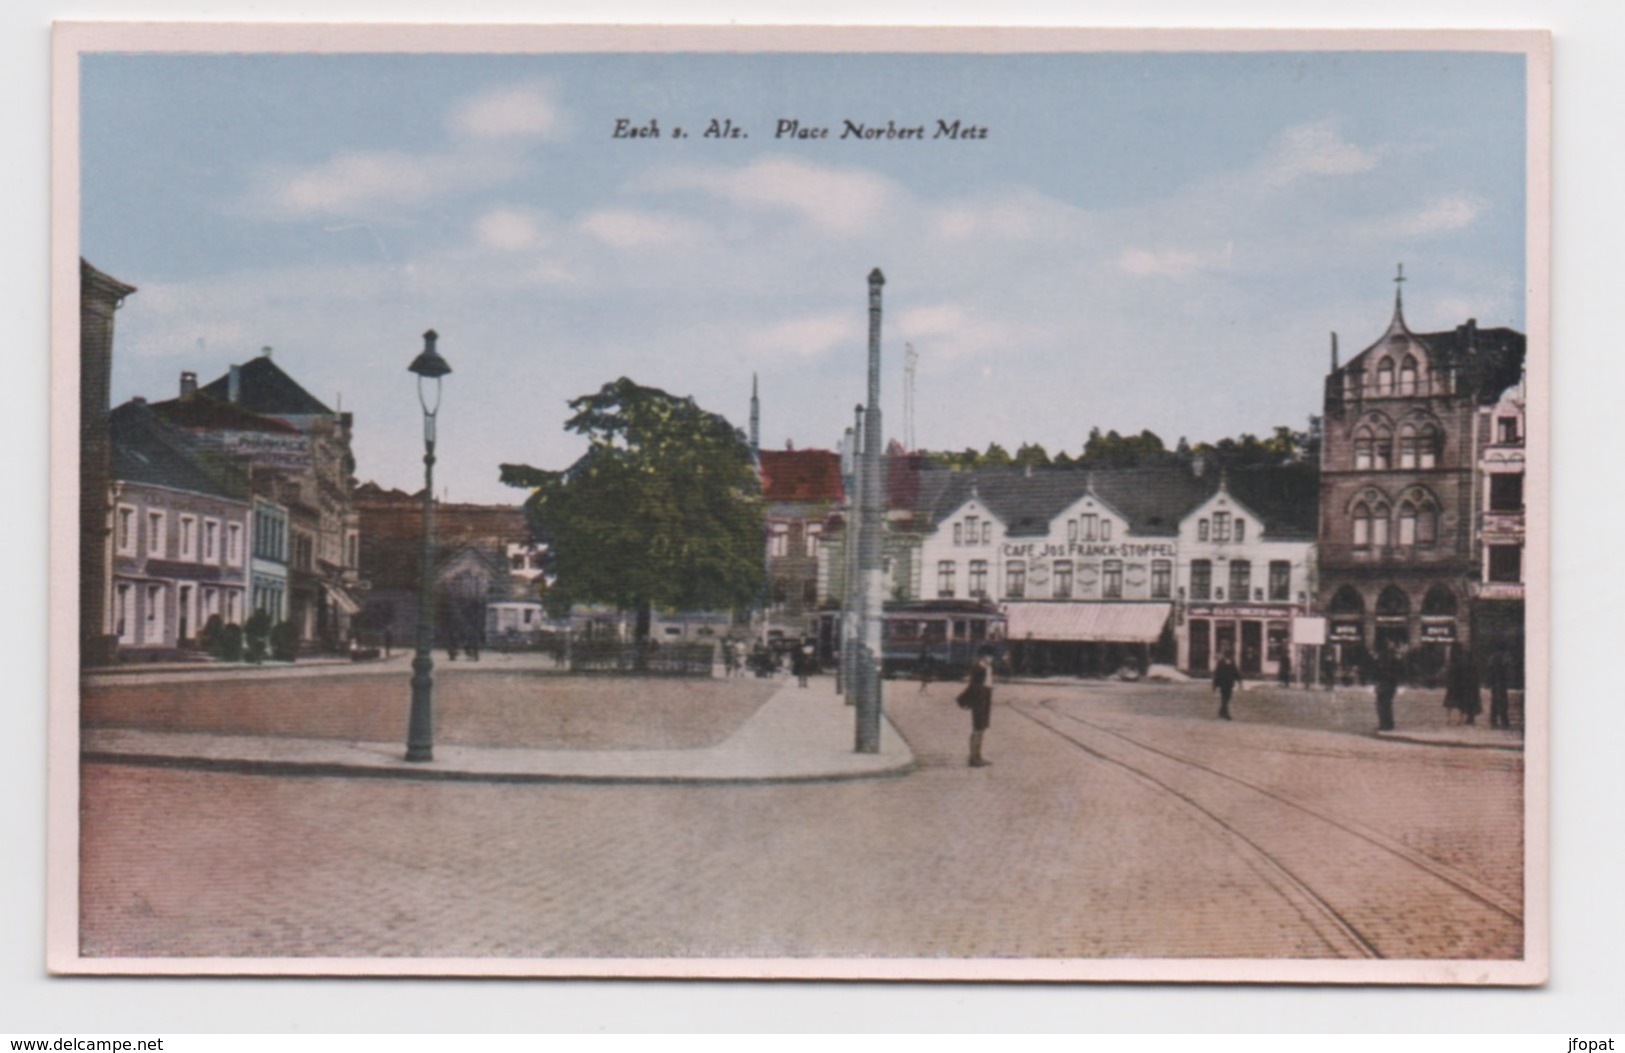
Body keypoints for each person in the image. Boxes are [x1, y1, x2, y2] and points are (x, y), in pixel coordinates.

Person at [960, 647, 996, 767]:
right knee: (977, 729)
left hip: (985, 699)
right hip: (979, 700)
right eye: (988, 656)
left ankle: (978, 756)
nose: (991, 659)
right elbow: (973, 687)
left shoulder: (987, 668)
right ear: (983, 656)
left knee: (982, 728)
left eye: (991, 657)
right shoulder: (978, 667)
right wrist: (969, 701)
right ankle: (973, 758)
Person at [1443, 647, 1481, 726]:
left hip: (1454, 685)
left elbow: (1449, 673)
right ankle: (1460, 719)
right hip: (1460, 685)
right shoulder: (1465, 663)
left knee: (1451, 702)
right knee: (1460, 703)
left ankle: (1449, 719)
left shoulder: (1453, 663)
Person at [1373, 643, 1403, 732]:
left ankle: (1385, 724)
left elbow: (1381, 673)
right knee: (1386, 704)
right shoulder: (1394, 660)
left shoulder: (1385, 661)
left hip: (1385, 684)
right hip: (1390, 684)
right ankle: (1388, 723)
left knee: (1382, 704)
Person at [1486, 647, 1513, 729]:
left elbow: (1489, 670)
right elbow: (1508, 668)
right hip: (1502, 681)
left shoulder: (1492, 657)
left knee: (1494, 700)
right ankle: (1504, 720)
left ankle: (1493, 720)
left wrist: (1489, 682)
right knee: (1503, 701)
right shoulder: (1505, 657)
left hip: (1495, 682)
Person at [1212, 649, 1242, 720]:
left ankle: (1221, 712)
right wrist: (1215, 685)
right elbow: (1217, 674)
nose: (1229, 657)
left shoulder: (1232, 663)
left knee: (1227, 698)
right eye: (1228, 655)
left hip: (1229, 684)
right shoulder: (1221, 663)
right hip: (1223, 683)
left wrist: (1239, 681)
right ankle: (1226, 714)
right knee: (1224, 698)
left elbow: (1236, 673)